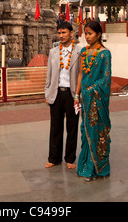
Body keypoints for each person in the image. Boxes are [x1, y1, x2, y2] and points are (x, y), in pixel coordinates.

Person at [74, 20, 111, 181]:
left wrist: (90, 91)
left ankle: (99, 168)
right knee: (85, 131)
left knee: (98, 132)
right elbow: (81, 74)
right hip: (85, 99)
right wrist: (77, 95)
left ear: (98, 34)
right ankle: (86, 166)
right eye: (85, 34)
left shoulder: (105, 54)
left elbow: (106, 79)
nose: (87, 37)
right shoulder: (84, 51)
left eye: (90, 34)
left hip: (97, 99)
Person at [45, 20, 81, 170]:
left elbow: (81, 74)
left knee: (72, 127)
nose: (61, 35)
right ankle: (54, 158)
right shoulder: (53, 52)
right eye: (59, 33)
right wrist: (47, 92)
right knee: (55, 127)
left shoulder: (79, 51)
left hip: (73, 94)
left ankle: (70, 158)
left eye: (64, 32)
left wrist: (78, 95)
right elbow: (49, 73)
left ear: (71, 33)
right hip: (56, 93)